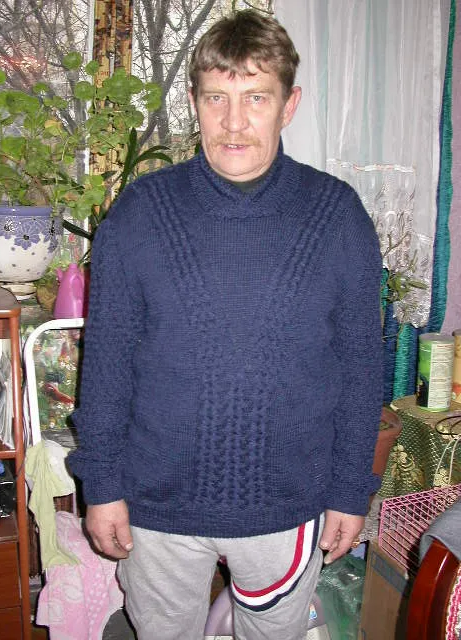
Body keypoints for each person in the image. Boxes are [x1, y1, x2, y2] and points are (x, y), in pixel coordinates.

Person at [68, 9, 383, 640]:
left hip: (287, 505)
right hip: (156, 506)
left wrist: (351, 489)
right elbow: (106, 361)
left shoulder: (337, 216)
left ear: (289, 105)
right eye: (216, 98)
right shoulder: (141, 212)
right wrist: (101, 485)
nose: (233, 122)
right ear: (194, 103)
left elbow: (361, 366)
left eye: (255, 98)